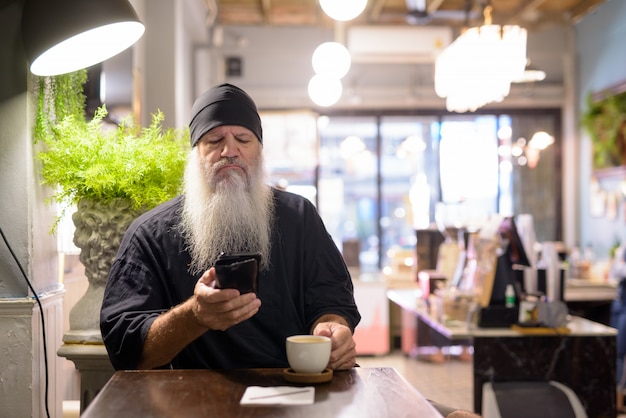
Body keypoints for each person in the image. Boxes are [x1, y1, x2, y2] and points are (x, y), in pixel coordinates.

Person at [100, 83, 478, 418]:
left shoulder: (298, 216)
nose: (229, 151)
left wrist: (334, 331)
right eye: (214, 140)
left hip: (308, 394)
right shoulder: (150, 234)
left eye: (243, 140)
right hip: (197, 399)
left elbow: (332, 299)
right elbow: (127, 350)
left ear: (258, 151)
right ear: (196, 152)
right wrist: (196, 316)